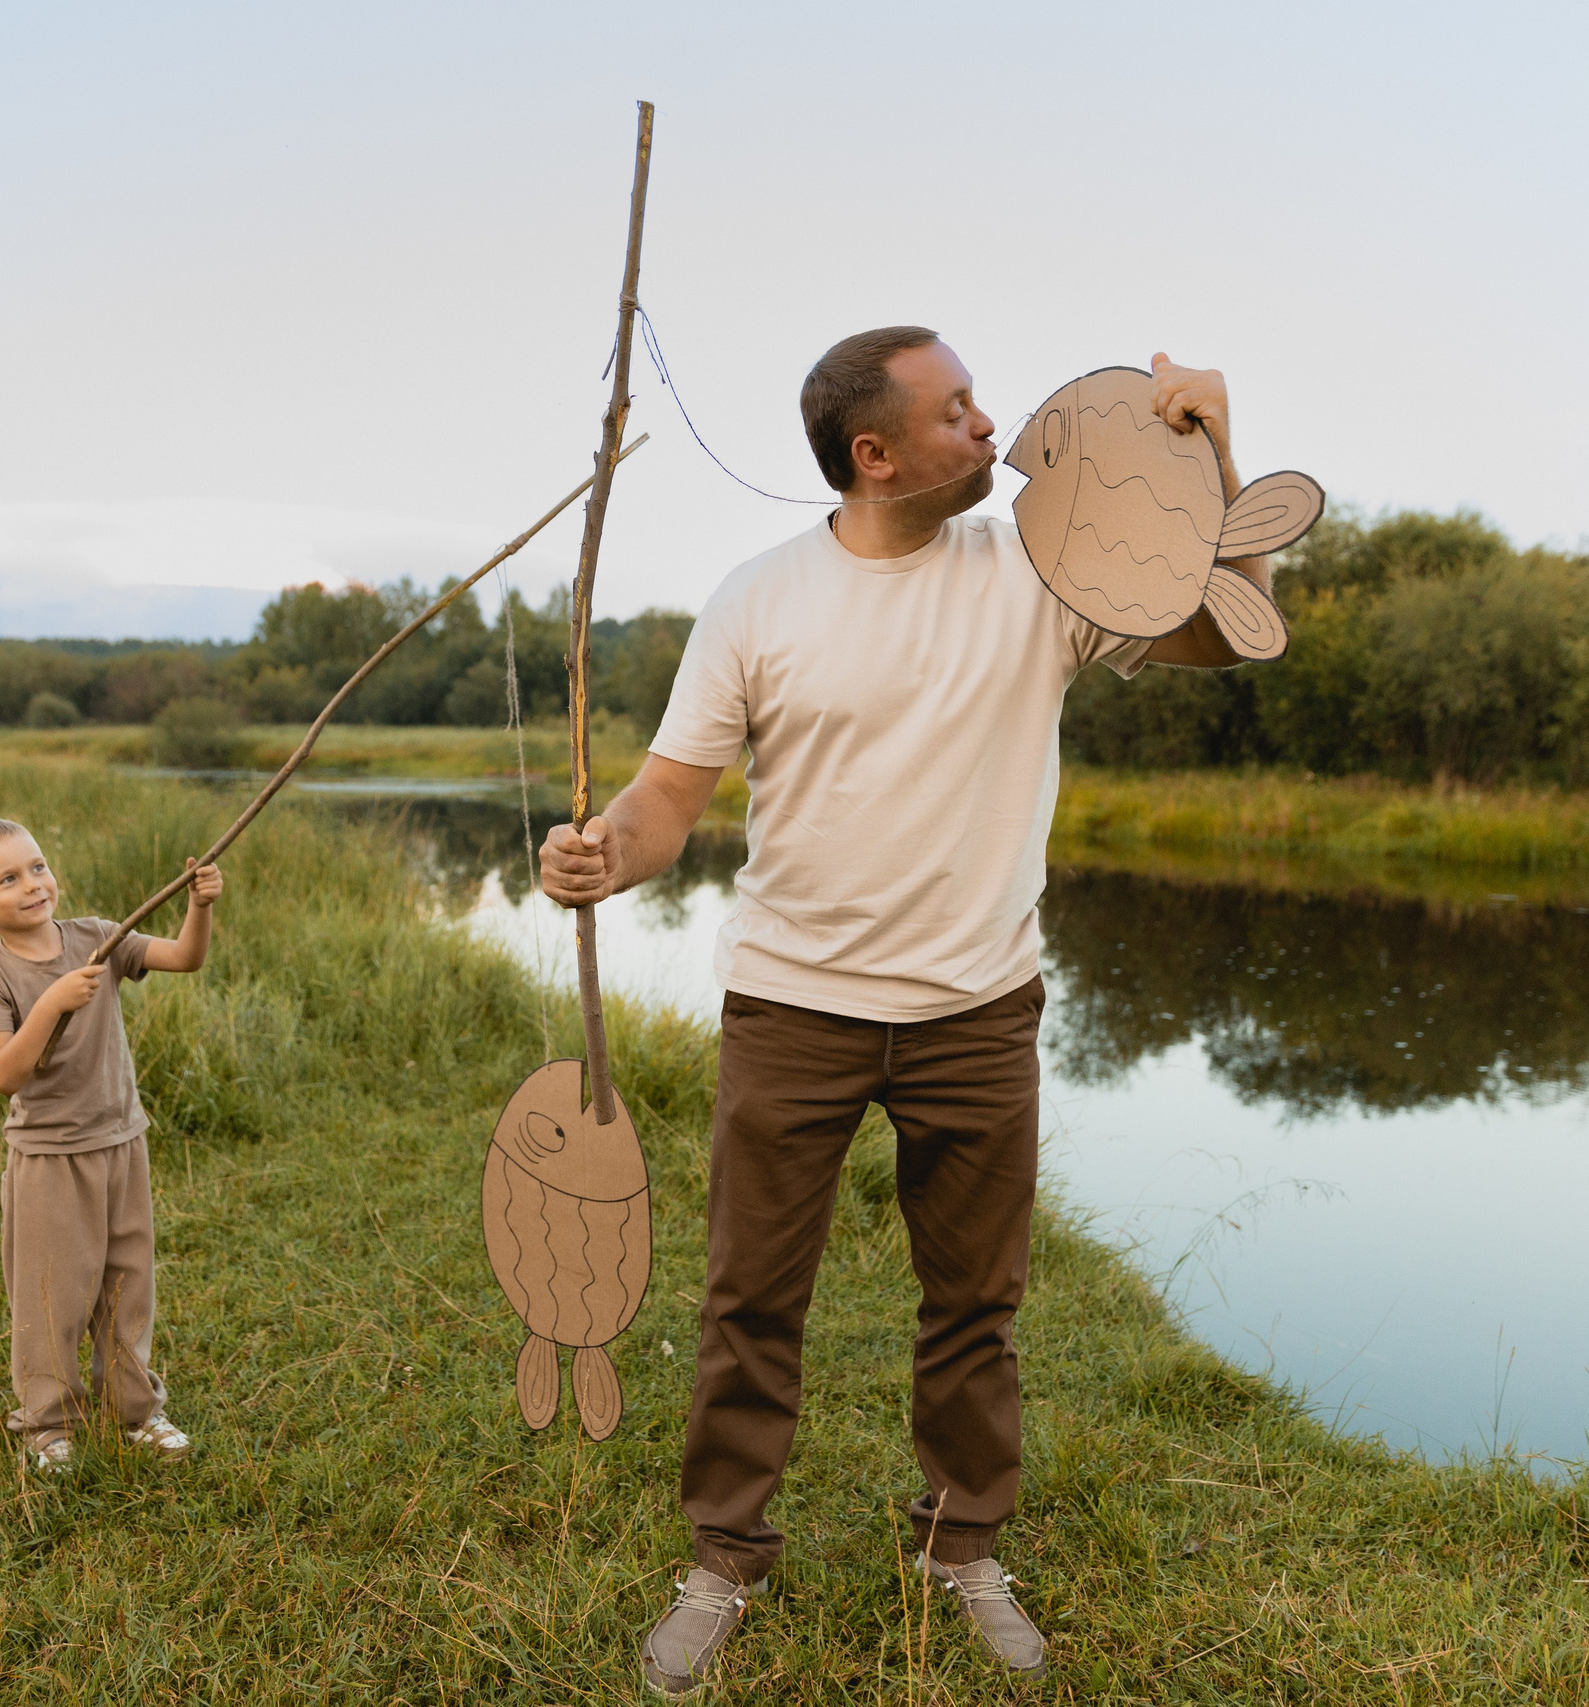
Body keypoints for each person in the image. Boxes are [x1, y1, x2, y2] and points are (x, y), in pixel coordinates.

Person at [537, 329, 1279, 1692]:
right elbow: (661, 804)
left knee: (975, 1306)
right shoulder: (756, 601)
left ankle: (962, 1545)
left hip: (978, 1012)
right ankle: (724, 1557)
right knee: (751, 1298)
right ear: (873, 454)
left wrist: (1215, 451)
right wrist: (596, 852)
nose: (992, 427)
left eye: (981, 402)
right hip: (792, 1008)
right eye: (957, 412)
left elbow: (1222, 630)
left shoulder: (1040, 578)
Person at [0, 817, 224, 1475]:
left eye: (37, 866)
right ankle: (47, 1425)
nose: (33, 884)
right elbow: (3, 1074)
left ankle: (136, 1410)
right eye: (8, 878)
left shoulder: (100, 937)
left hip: (122, 1142)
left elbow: (185, 957)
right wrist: (50, 1004)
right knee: (53, 1294)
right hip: (49, 1159)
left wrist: (200, 906)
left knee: (128, 1284)